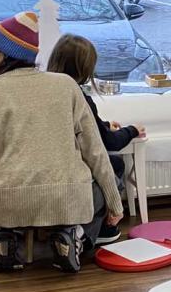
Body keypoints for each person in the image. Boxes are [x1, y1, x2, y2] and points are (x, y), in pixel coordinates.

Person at [0, 12, 125, 273]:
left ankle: (6, 234)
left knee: (10, 198)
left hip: (5, 199)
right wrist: (115, 204)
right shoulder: (67, 86)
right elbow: (95, 151)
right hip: (64, 198)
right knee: (95, 188)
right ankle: (73, 235)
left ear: (5, 54)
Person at [46, 34, 145, 246]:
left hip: (44, 170)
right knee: (115, 164)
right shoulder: (80, 98)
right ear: (84, 68)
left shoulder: (45, 93)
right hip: (71, 173)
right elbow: (108, 143)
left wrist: (104, 125)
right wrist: (132, 130)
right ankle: (90, 233)